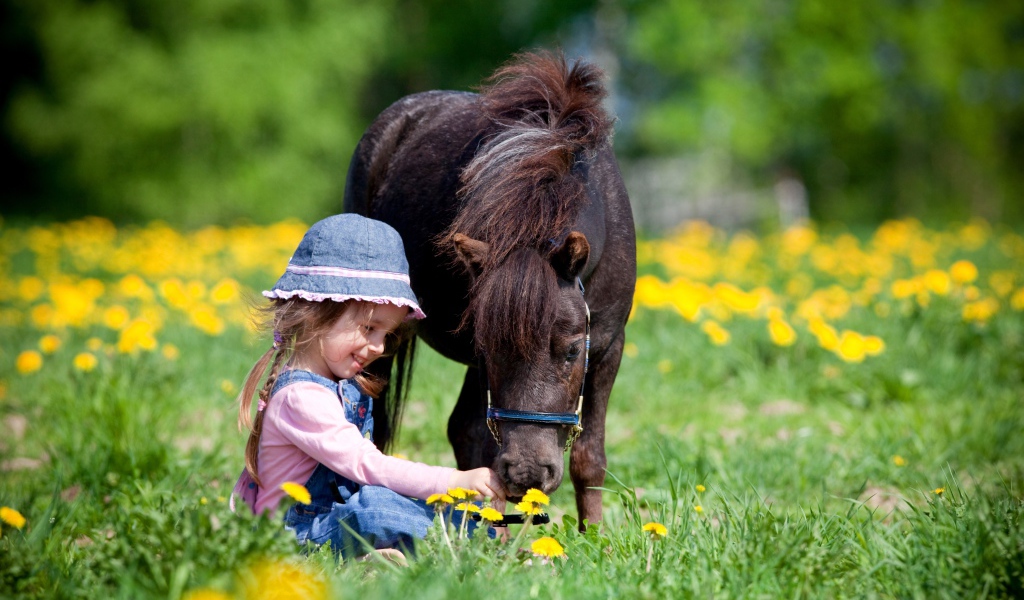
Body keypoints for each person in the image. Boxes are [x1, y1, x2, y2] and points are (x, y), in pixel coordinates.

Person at [230, 213, 505, 559]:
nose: (379, 347)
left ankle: (474, 539)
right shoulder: (300, 398)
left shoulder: (344, 385)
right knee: (376, 509)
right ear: (318, 312)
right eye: (369, 328)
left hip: (331, 519)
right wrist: (453, 481)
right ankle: (476, 543)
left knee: (387, 502)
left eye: (386, 334)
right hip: (292, 539)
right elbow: (367, 465)